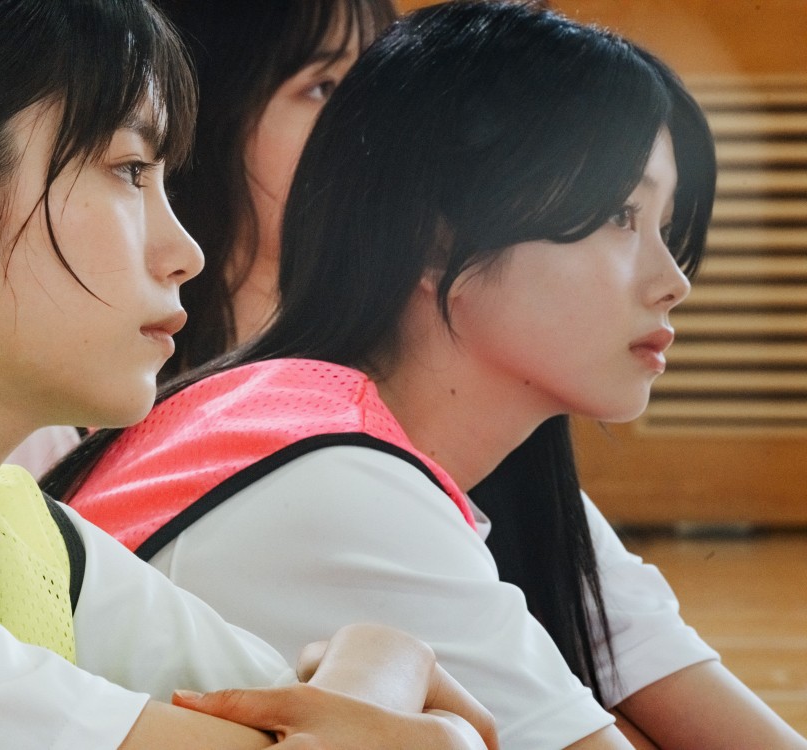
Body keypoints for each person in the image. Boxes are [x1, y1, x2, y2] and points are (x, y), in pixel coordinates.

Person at [50, 3, 807, 749]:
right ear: (437, 240)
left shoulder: (465, 466)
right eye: (620, 216)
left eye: (666, 228)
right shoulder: (341, 484)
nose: (673, 281)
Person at [0, 1, 498, 747]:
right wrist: (388, 667)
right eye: (129, 170)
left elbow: (324, 729)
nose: (184, 253)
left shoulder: (19, 535)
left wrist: (385, 656)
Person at [10, 0, 396, 479]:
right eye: (323, 87)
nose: (370, 128)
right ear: (213, 108)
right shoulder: (47, 427)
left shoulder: (399, 393)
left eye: (377, 86)